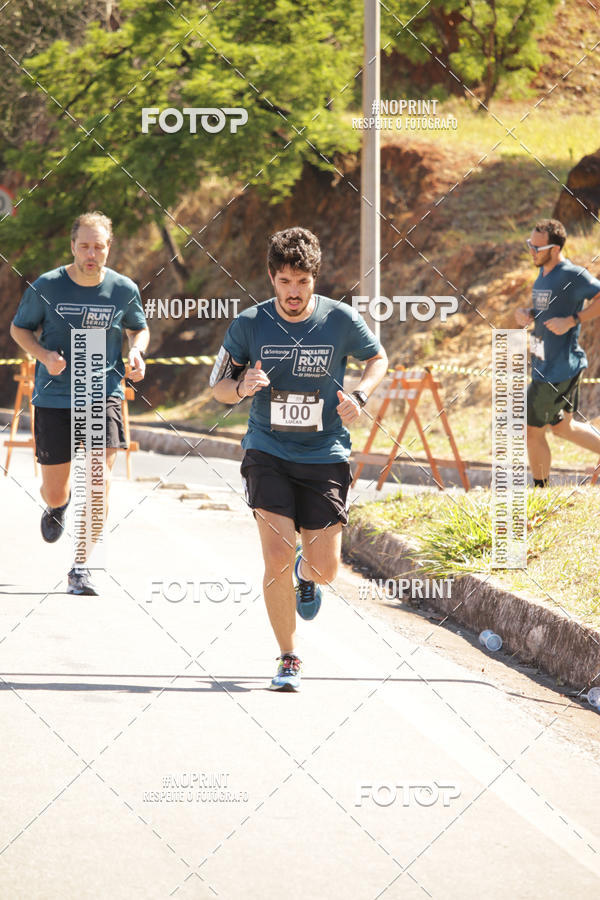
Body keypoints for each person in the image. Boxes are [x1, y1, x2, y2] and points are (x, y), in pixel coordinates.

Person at [211, 226, 388, 691]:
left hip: (324, 453)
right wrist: (241, 386)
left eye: (303, 282)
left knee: (326, 569)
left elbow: (378, 358)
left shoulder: (339, 319)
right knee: (275, 554)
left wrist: (360, 395)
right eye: (286, 281)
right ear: (271, 277)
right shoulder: (249, 324)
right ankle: (288, 656)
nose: (294, 292)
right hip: (267, 450)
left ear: (315, 279)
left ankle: (304, 575)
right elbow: (218, 387)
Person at [10, 211, 149, 594]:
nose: (91, 254)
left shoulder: (123, 289)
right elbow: (19, 329)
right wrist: (44, 355)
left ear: (109, 248)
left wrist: (136, 351)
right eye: (84, 246)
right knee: (55, 489)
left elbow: (138, 328)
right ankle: (59, 505)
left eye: (98, 247)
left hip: (103, 393)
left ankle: (81, 566)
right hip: (56, 396)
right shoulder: (47, 286)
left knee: (99, 481)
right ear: (72, 246)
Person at [514, 218, 600, 487]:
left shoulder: (571, 274)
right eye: (530, 244)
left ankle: (541, 493)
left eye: (537, 247)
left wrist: (573, 320)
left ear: (555, 249)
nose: (531, 251)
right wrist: (529, 314)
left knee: (531, 431)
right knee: (563, 428)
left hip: (557, 369)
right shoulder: (543, 274)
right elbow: (547, 310)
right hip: (547, 365)